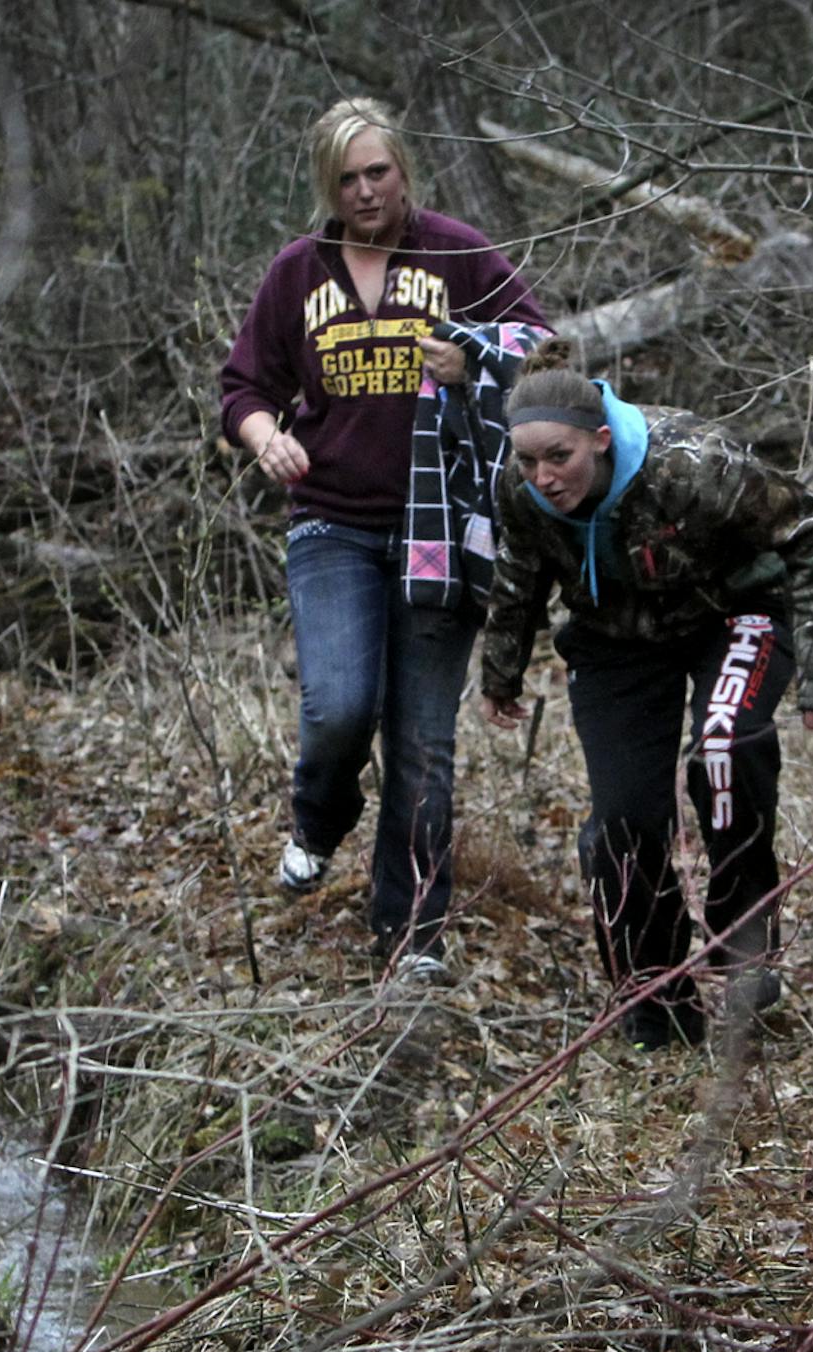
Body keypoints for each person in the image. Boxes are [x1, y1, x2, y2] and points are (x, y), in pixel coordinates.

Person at [220, 98, 547, 978]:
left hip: (440, 525)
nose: (366, 192)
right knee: (339, 706)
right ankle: (320, 818)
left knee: (422, 742)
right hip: (331, 521)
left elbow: (549, 351)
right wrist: (264, 437)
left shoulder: (458, 251)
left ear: (404, 170)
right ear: (328, 186)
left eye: (380, 172)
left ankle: (410, 936)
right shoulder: (298, 273)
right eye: (348, 179)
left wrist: (476, 353)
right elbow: (241, 388)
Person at [478, 338, 813, 1048]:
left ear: (600, 438)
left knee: (723, 747)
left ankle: (746, 936)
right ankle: (656, 1002)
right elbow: (518, 575)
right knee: (621, 826)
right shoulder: (518, 490)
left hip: (733, 613)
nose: (543, 477)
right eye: (528, 462)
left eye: (560, 457)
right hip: (615, 640)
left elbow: (809, 532)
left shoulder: (691, 465)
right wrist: (501, 673)